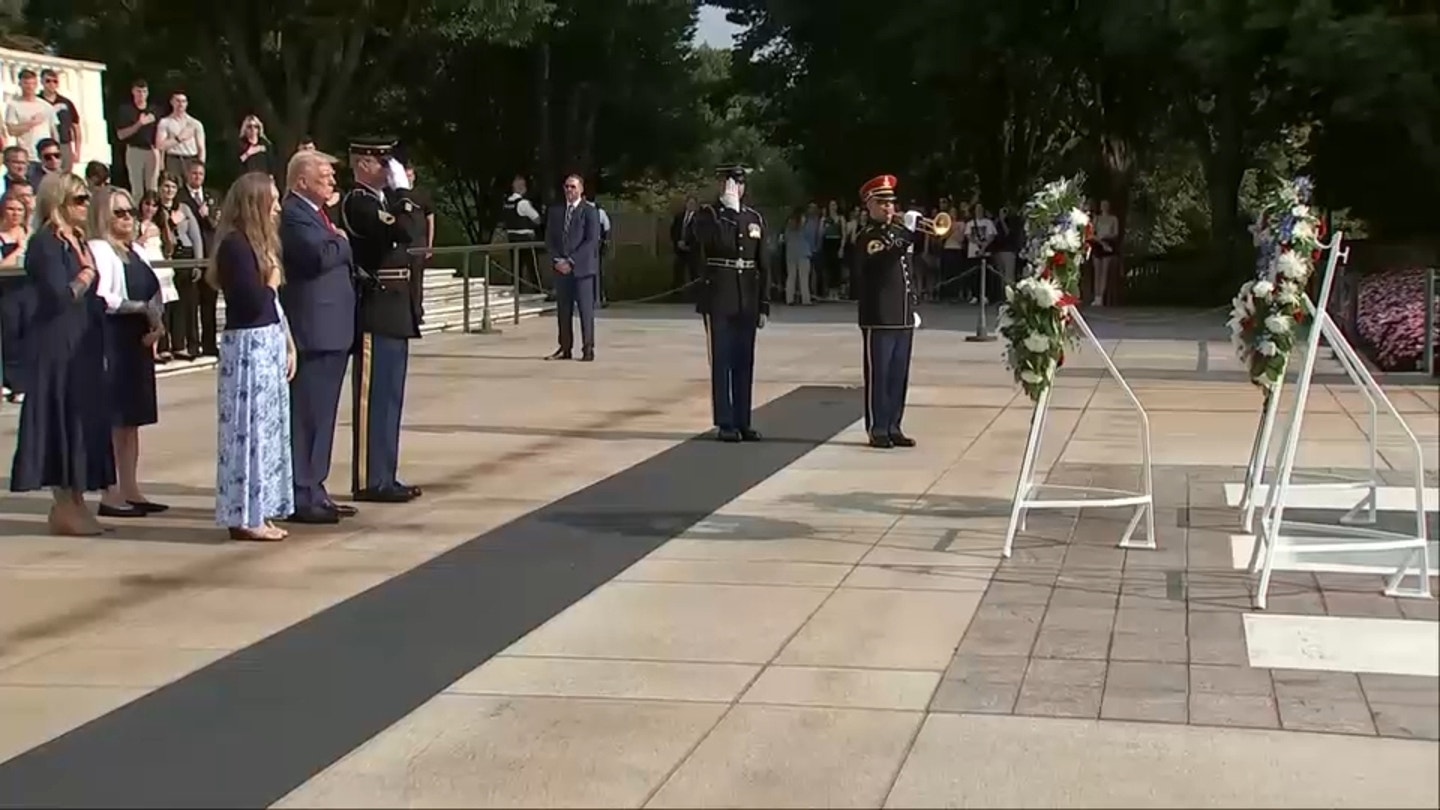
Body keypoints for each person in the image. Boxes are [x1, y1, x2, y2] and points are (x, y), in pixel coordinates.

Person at [9, 172, 113, 535]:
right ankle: (63, 504)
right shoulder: (45, 244)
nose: (85, 206)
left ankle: (78, 502)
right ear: (59, 203)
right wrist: (85, 275)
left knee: (79, 420)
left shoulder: (78, 240)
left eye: (86, 199)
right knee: (58, 419)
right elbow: (58, 294)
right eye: (78, 200)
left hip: (80, 341)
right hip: (54, 344)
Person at [209, 173, 295, 541]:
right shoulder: (235, 246)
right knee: (250, 432)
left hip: (267, 342)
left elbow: (273, 308)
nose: (277, 208)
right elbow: (252, 303)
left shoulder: (259, 246)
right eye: (271, 201)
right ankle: (245, 513)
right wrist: (273, 279)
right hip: (248, 347)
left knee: (268, 430)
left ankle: (262, 507)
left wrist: (288, 343)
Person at [340, 136, 423, 504]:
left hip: (394, 306)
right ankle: (368, 479)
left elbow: (411, 230)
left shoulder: (381, 201)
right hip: (375, 306)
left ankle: (385, 474)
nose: (389, 169)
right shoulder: (358, 202)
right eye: (382, 162)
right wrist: (403, 191)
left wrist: (399, 195)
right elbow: (403, 230)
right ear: (363, 164)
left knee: (391, 398)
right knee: (373, 399)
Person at [278, 148, 356, 524]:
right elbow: (316, 257)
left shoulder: (318, 216)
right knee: (307, 415)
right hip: (313, 329)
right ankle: (300, 491)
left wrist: (335, 238)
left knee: (323, 416)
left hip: (332, 329)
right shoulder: (294, 215)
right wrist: (340, 241)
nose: (331, 182)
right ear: (302, 181)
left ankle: (316, 487)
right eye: (324, 176)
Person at [89, 188, 167, 517]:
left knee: (132, 421)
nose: (127, 218)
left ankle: (131, 486)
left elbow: (155, 290)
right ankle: (110, 492)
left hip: (138, 340)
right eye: (119, 212)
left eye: (130, 212)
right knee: (114, 418)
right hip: (114, 337)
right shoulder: (100, 249)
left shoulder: (134, 250)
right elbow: (104, 297)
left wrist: (157, 323)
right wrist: (141, 310)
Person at [686, 164, 769, 443]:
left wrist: (764, 304)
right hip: (719, 296)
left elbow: (762, 263)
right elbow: (716, 243)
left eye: (739, 182)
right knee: (722, 360)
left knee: (744, 361)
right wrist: (729, 212)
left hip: (747, 297)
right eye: (730, 182)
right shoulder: (708, 215)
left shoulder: (754, 217)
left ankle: (743, 420)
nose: (735, 188)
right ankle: (725, 422)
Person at [852, 174, 919, 449]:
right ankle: (877, 427)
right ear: (870, 205)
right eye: (882, 203)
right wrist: (906, 237)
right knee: (878, 374)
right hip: (879, 315)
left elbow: (908, 271)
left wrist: (913, 302)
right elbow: (881, 262)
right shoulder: (869, 236)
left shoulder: (895, 234)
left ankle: (894, 424)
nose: (889, 208)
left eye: (891, 203)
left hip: (902, 314)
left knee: (898, 375)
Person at [544, 174, 601, 362]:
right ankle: (565, 347)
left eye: (573, 187)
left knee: (585, 310)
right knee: (563, 310)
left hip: (582, 269)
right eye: (567, 187)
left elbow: (591, 241)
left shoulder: (590, 211)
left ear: (581, 189)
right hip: (561, 269)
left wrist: (572, 261)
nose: (570, 190)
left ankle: (588, 348)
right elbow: (550, 240)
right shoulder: (556, 211)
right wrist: (557, 260)